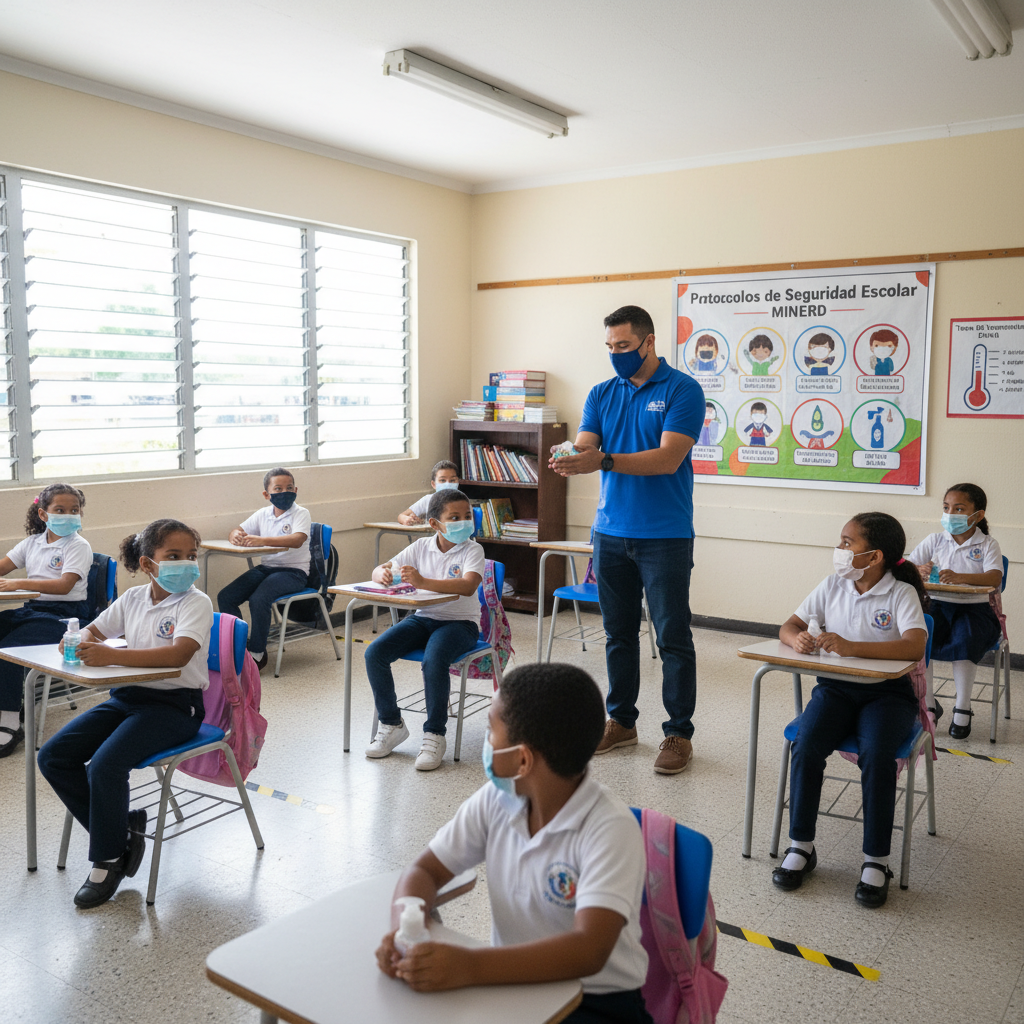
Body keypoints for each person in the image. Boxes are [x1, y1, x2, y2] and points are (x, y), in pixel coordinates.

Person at [375, 663, 651, 1024]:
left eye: (492, 731)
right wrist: (404, 930)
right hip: (511, 982)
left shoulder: (610, 828)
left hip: (596, 1001)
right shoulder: (496, 800)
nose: (487, 743)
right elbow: (424, 870)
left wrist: (469, 966)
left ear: (522, 759)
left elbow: (589, 950)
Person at [550, 305, 704, 776]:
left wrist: (602, 460)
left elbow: (667, 458)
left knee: (672, 636)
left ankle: (678, 733)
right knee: (618, 635)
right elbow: (587, 445)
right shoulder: (601, 392)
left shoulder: (683, 390)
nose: (616, 353)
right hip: (610, 534)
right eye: (610, 346)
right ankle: (621, 722)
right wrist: (570, 456)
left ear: (648, 342)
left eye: (624, 345)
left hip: (665, 536)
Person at [37, 518, 213, 909]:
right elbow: (95, 631)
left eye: (191, 555)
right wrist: (78, 639)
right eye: (174, 556)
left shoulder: (195, 602)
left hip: (175, 705)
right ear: (148, 564)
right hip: (128, 698)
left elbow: (177, 655)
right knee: (53, 756)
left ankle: (108, 860)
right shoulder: (134, 597)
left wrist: (112, 657)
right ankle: (122, 833)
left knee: (105, 766)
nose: (186, 564)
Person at [772, 512, 928, 908]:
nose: (839, 549)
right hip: (836, 690)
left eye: (847, 542)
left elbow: (914, 645)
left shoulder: (900, 593)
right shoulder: (832, 585)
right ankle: (801, 846)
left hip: (887, 694)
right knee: (806, 744)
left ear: (874, 556)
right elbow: (788, 626)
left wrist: (852, 646)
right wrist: (797, 640)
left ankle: (876, 860)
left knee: (876, 754)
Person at [364, 488, 484, 771]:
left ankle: (434, 734)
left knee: (434, 659)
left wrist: (422, 581)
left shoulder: (472, 549)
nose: (464, 522)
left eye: (467, 516)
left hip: (461, 623)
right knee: (375, 653)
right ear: (434, 523)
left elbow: (468, 585)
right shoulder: (421, 547)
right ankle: (392, 724)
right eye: (454, 517)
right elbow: (383, 568)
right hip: (424, 617)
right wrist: (381, 574)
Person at [0, 483, 92, 758]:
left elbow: (64, 586)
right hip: (33, 611)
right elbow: (3, 567)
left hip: (65, 618)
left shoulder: (78, 545)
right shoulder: (32, 543)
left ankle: (9, 721)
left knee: (7, 651)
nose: (69, 515)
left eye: (74, 510)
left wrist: (18, 583)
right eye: (60, 510)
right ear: (43, 514)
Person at [909, 482, 1003, 740]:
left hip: (974, 610)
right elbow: (906, 567)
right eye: (946, 508)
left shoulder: (987, 544)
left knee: (966, 639)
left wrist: (961, 577)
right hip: (937, 606)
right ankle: (928, 704)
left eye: (959, 509)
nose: (950, 514)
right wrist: (918, 570)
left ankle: (963, 706)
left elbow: (994, 577)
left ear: (978, 515)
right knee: (921, 639)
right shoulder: (935, 540)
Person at [217, 467, 310, 671]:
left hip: (293, 573)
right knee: (226, 597)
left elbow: (297, 539)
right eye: (278, 488)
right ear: (267, 494)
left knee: (259, 599)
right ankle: (239, 646)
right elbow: (238, 529)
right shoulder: (263, 514)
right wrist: (234, 535)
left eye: (289, 488)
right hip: (267, 568)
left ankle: (257, 652)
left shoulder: (301, 513)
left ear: (296, 490)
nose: (284, 492)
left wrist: (262, 540)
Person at [397, 460, 460, 526]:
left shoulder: (463, 502)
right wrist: (408, 519)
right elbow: (401, 516)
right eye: (442, 480)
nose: (448, 484)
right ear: (433, 484)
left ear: (458, 482)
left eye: (452, 480)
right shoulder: (428, 500)